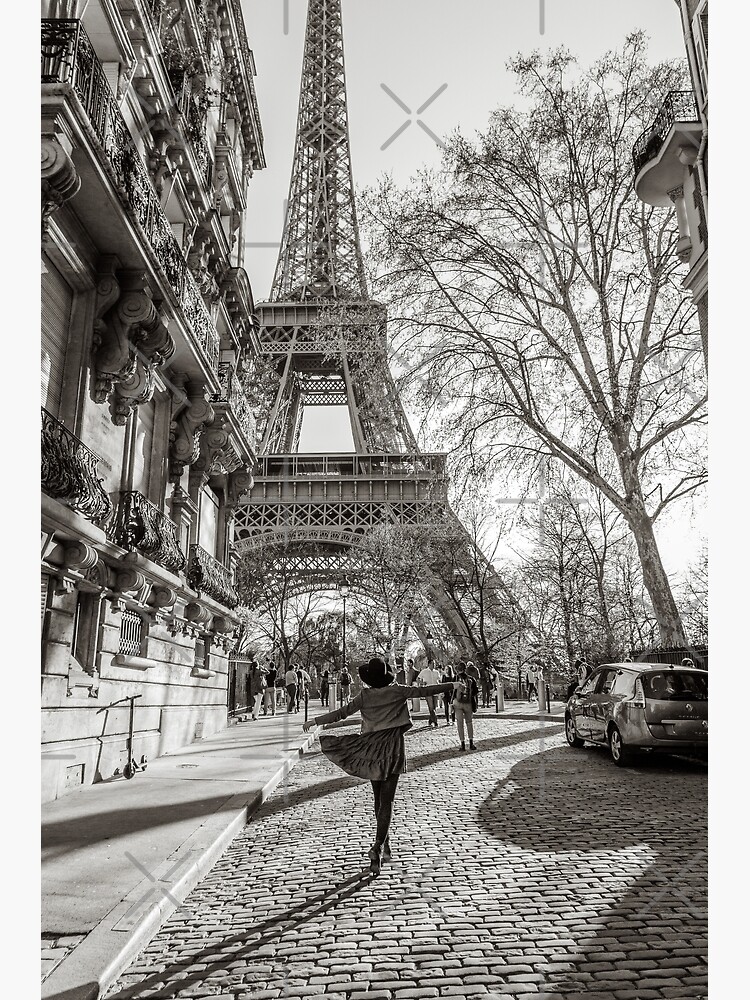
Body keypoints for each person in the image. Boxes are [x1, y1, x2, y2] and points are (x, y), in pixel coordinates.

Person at [303, 657, 457, 874]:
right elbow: (426, 691)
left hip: (371, 749)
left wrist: (315, 721)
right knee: (388, 801)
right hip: (393, 748)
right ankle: (378, 846)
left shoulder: (365, 696)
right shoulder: (397, 691)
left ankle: (384, 844)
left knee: (378, 799)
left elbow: (341, 713)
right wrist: (452, 684)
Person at [454, 663, 478, 751]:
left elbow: (451, 691)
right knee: (469, 722)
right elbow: (475, 691)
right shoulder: (471, 679)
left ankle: (462, 744)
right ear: (465, 669)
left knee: (460, 724)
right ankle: (471, 743)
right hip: (468, 703)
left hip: (458, 703)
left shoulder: (456, 678)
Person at [417, 657, 442, 728]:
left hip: (435, 691)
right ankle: (435, 721)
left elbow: (439, 681)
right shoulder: (424, 671)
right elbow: (418, 679)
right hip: (428, 691)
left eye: (434, 664)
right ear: (429, 664)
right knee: (431, 707)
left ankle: (430, 720)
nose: (434, 665)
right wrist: (422, 683)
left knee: (434, 707)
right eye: (433, 663)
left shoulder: (436, 672)